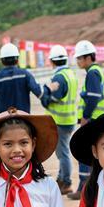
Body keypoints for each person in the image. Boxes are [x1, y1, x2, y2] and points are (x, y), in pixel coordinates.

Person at [67, 40, 104, 201]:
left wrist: (85, 116)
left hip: (92, 120)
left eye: (79, 58)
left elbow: (94, 97)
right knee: (92, 154)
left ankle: (84, 188)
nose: (77, 61)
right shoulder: (97, 71)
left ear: (88, 58)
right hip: (97, 119)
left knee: (84, 153)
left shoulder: (92, 73)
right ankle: (91, 187)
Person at [40, 44, 78, 195]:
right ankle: (61, 179)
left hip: (60, 121)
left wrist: (44, 93)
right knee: (63, 152)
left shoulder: (59, 77)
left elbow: (51, 99)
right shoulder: (70, 74)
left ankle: (66, 183)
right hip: (68, 119)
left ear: (52, 61)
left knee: (63, 154)